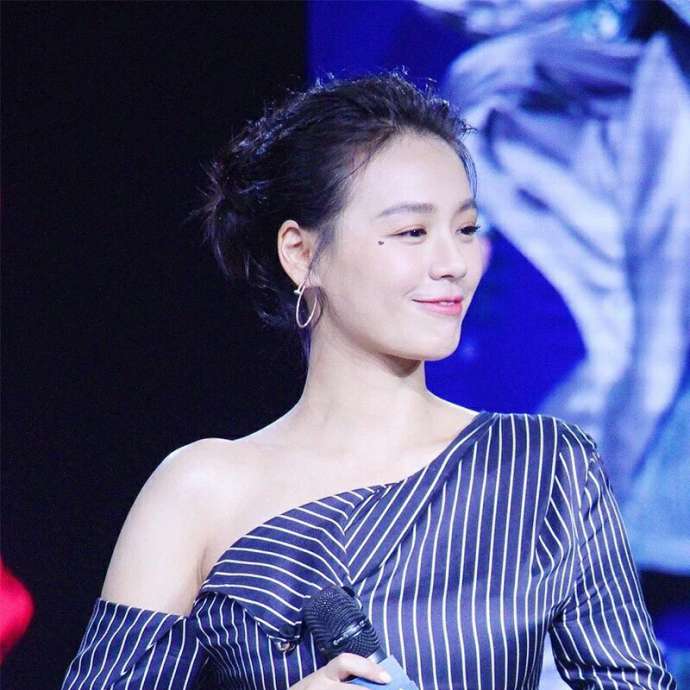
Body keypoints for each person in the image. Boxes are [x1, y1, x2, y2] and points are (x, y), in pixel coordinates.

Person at [60, 70, 676, 690]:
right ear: (301, 253)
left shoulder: (543, 465)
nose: (453, 263)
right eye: (412, 232)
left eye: (466, 229)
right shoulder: (198, 492)